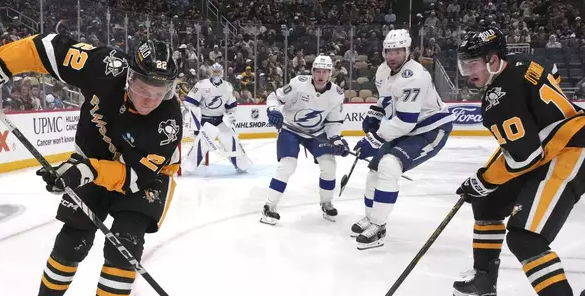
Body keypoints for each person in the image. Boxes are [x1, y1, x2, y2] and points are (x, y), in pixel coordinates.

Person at [0, 33, 182, 296]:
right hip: (90, 159)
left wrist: (83, 171)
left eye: (160, 93)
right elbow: (45, 49)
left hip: (143, 179)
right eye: (143, 90)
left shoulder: (168, 121)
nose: (150, 100)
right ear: (129, 76)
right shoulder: (105, 67)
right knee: (71, 241)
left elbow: (134, 178)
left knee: (124, 247)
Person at [454, 27, 585, 296]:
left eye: (474, 65)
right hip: (552, 148)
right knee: (487, 204)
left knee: (526, 237)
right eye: (465, 65)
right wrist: (486, 182)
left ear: (494, 59)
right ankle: (483, 281)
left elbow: (523, 156)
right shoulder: (522, 63)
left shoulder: (499, 97)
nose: (468, 72)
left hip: (571, 150)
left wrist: (484, 179)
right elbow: (548, 76)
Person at [351, 29, 454, 249]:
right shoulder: (382, 71)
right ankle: (371, 218)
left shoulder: (415, 76)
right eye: (389, 51)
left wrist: (375, 139)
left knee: (389, 165)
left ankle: (379, 226)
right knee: (374, 171)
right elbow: (387, 100)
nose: (393, 56)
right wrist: (375, 112)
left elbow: (406, 121)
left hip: (429, 129)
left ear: (407, 51)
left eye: (398, 51)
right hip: (405, 128)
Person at [261, 55, 349, 225]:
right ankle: (269, 206)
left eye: (325, 71)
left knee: (329, 164)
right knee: (288, 165)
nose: (320, 75)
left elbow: (333, 122)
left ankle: (326, 202)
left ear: (330, 73)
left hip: (316, 132)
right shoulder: (298, 83)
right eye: (317, 71)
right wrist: (273, 110)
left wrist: (336, 140)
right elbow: (275, 97)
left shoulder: (336, 94)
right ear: (312, 71)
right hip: (290, 129)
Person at [182, 63, 252, 173]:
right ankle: (189, 164)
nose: (217, 74)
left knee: (231, 142)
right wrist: (195, 116)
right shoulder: (201, 85)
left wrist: (231, 116)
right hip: (204, 121)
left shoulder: (227, 86)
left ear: (222, 73)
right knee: (201, 145)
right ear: (210, 72)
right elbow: (189, 102)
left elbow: (231, 107)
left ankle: (240, 164)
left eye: (218, 72)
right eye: (215, 72)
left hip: (219, 120)